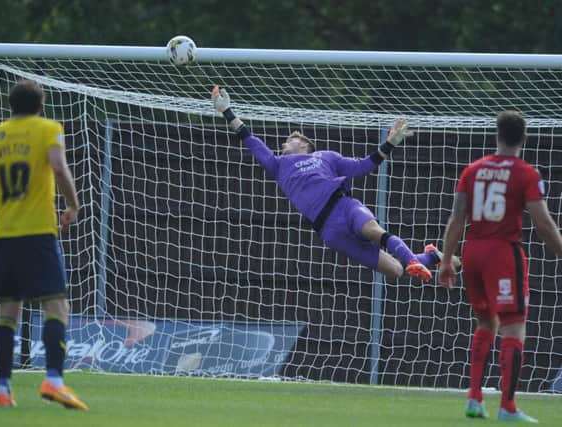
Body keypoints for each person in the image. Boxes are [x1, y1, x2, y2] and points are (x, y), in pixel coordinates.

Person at [212, 85, 459, 282]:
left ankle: (415, 260)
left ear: (304, 145)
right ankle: (429, 257)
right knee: (395, 270)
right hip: (328, 230)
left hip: (344, 207)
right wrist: (227, 111)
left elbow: (364, 166)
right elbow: (251, 140)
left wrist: (391, 142)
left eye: (289, 140)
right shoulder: (278, 166)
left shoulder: (326, 157)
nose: (283, 144)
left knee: (373, 231)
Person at [438, 111, 562, 423]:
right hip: (503, 254)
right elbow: (543, 223)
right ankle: (507, 406)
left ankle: (475, 399)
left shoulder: (473, 170)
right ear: (524, 138)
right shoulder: (525, 173)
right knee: (513, 327)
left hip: (473, 251)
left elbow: (456, 219)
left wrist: (445, 261)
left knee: (485, 323)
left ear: (497, 135)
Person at [0, 80, 88, 410]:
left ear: (10, 105)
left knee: (7, 312)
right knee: (56, 306)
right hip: (38, 232)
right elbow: (59, 168)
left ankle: (4, 388)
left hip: (4, 234)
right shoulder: (48, 128)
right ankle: (54, 380)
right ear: (40, 105)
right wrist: (73, 205)